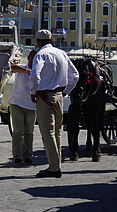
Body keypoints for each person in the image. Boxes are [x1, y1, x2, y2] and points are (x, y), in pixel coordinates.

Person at [29, 29, 79, 179]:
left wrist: (33, 92)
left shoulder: (41, 55)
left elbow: (35, 75)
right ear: (51, 40)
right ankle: (56, 165)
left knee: (48, 133)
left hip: (46, 96)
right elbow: (74, 75)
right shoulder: (61, 53)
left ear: (38, 42)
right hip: (59, 96)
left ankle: (54, 168)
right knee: (57, 132)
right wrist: (65, 92)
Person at [8, 49, 37, 165]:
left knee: (29, 132)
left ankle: (28, 155)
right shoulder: (22, 68)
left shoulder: (39, 71)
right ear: (28, 58)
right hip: (17, 103)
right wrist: (26, 70)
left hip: (32, 106)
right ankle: (17, 156)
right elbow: (12, 67)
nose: (33, 61)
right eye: (31, 58)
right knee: (18, 131)